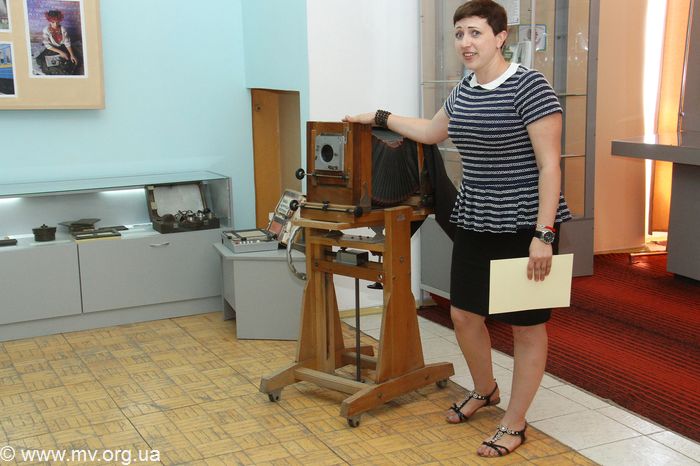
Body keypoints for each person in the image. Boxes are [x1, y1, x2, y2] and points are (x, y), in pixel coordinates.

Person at [344, 0, 571, 458]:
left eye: (476, 33)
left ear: (501, 37)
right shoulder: (465, 88)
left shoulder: (531, 87)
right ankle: (485, 389)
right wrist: (380, 118)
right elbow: (433, 131)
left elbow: (551, 166)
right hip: (475, 219)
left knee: (526, 327)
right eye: (459, 33)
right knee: (465, 315)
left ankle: (515, 421)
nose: (466, 43)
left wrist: (543, 234)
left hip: (525, 223)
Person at [35, 10, 79, 75]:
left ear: (59, 20)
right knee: (47, 63)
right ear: (49, 21)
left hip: (62, 47)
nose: (55, 24)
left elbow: (67, 42)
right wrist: (61, 52)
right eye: (53, 22)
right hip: (53, 48)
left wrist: (72, 55)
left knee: (70, 61)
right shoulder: (46, 30)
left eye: (57, 22)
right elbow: (47, 45)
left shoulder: (63, 29)